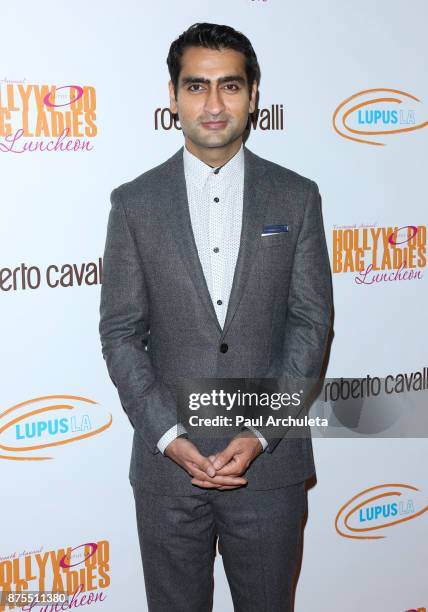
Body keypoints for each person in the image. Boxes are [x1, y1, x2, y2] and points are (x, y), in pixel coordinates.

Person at [99, 22, 332, 612]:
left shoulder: (297, 196)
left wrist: (259, 433)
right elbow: (121, 333)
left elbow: (311, 324)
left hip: (269, 467)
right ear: (172, 97)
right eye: (196, 86)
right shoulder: (134, 203)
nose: (213, 103)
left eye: (229, 86)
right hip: (167, 473)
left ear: (254, 96)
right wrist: (168, 436)